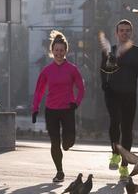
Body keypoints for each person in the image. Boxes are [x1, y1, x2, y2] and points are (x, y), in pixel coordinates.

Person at [32, 30, 85, 182]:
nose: (59, 53)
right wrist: (35, 109)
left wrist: (76, 102)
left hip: (68, 109)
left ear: (65, 51)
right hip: (51, 111)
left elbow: (81, 87)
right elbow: (39, 91)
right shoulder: (47, 71)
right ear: (52, 51)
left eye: (62, 50)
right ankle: (59, 172)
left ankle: (67, 144)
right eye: (56, 50)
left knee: (68, 143)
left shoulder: (72, 69)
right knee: (55, 142)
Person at [100, 19, 138, 180]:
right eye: (122, 30)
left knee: (127, 130)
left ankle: (124, 166)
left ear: (131, 32)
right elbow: (102, 70)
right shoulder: (110, 51)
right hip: (112, 94)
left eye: (127, 30)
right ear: (117, 33)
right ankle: (114, 154)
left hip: (129, 95)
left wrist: (132, 65)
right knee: (115, 121)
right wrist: (104, 84)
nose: (124, 33)